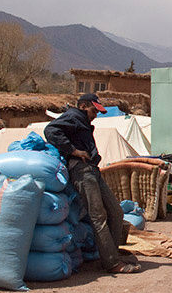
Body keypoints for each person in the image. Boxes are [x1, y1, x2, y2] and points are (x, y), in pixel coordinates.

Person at [44, 93, 140, 273]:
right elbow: (51, 131)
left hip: (92, 169)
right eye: (93, 110)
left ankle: (112, 252)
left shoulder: (83, 121)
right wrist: (73, 150)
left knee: (116, 211)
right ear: (83, 106)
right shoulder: (73, 116)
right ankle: (112, 263)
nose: (95, 114)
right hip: (81, 169)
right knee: (98, 216)